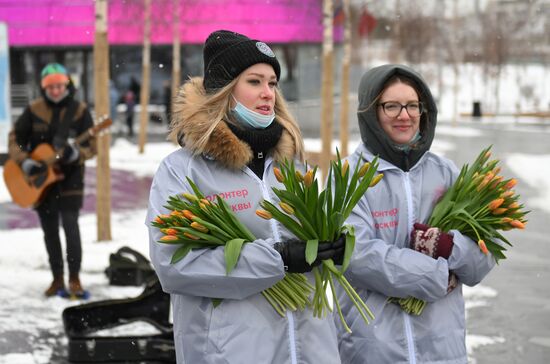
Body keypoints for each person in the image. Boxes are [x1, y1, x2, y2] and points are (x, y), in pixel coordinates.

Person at [146, 30, 343, 363]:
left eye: (273, 83)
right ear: (224, 91)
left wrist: (327, 249)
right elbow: (174, 265)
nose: (268, 93)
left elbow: (307, 252)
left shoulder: (292, 166)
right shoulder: (183, 171)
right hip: (232, 352)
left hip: (309, 348)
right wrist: (278, 259)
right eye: (254, 82)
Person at [334, 64, 496, 363]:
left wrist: (449, 246)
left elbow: (482, 261)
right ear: (371, 112)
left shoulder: (445, 172)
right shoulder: (348, 177)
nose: (404, 115)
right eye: (391, 106)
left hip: (443, 349)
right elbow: (357, 256)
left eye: (412, 105)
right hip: (374, 348)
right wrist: (439, 274)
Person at [8, 62, 97, 297]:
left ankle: (75, 278)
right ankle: (57, 279)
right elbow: (16, 139)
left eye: (59, 86)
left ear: (66, 84)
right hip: (39, 182)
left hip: (70, 178)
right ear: (43, 88)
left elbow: (91, 145)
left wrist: (77, 153)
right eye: (50, 87)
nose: (55, 91)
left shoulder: (79, 111)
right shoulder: (33, 109)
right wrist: (24, 160)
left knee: (70, 226)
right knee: (49, 231)